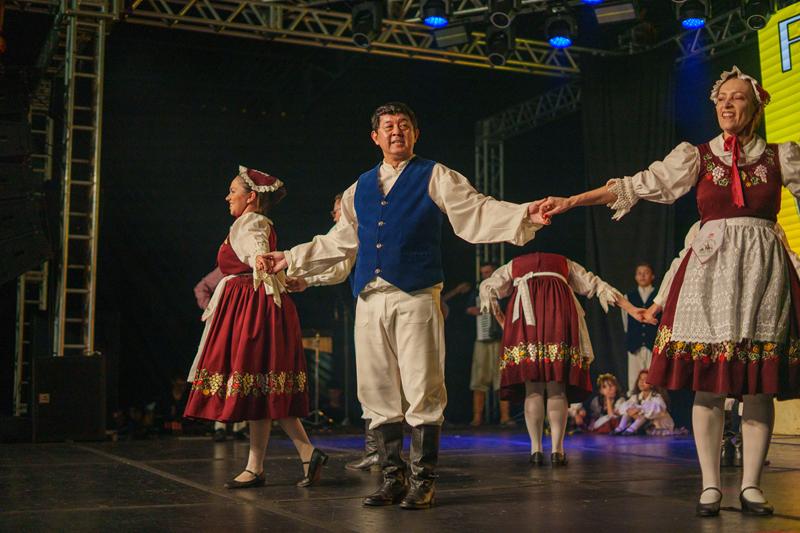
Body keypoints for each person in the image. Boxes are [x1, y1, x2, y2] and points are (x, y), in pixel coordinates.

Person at [534, 66, 800, 517]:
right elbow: (638, 184)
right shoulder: (698, 157)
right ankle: (711, 484)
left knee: (758, 387)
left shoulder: (781, 156)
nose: (727, 104)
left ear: (756, 107)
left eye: (737, 97)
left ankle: (752, 485)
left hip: (763, 274)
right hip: (710, 278)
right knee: (709, 386)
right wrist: (572, 201)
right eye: (721, 99)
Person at [261, 102, 548, 509]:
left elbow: (476, 209)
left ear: (415, 134)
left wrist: (524, 213)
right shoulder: (358, 188)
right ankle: (392, 478)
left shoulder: (434, 175)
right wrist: (289, 257)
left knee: (422, 384)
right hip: (370, 298)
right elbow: (338, 242)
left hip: (415, 294)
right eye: (388, 126)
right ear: (375, 137)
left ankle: (422, 480)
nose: (397, 131)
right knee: (376, 388)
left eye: (404, 125)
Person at [183, 166, 328, 490]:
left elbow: (257, 249)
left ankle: (297, 455)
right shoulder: (253, 222)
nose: (228, 197)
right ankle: (264, 464)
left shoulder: (251, 221)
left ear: (250, 197)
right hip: (254, 304)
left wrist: (259, 259)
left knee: (258, 381)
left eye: (233, 191)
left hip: (251, 308)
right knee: (260, 387)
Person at [481, 252, 640, 465]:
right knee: (557, 387)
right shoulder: (564, 263)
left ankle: (536, 450)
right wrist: (631, 309)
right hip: (557, 316)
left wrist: (503, 320)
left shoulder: (515, 264)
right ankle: (557, 450)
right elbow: (595, 284)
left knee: (533, 388)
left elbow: (488, 288)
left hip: (526, 322)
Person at [194, 267, 248, 442]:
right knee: (223, 370)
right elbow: (201, 287)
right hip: (226, 327)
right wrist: (211, 308)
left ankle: (240, 424)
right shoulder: (228, 269)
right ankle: (220, 424)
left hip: (246, 326)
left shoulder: (256, 266)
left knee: (243, 372)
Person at [466, 262, 512, 427]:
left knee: (502, 379)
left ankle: (505, 417)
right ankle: (477, 418)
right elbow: (468, 308)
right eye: (483, 273)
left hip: (500, 340)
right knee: (479, 379)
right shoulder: (477, 291)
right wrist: (476, 310)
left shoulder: (505, 290)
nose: (485, 276)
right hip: (482, 339)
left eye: (488, 272)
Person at [621, 263, 659, 394]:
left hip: (652, 343)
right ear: (635, 277)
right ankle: (634, 400)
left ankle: (653, 400)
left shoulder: (659, 296)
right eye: (639, 273)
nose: (642, 276)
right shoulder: (628, 297)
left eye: (646, 272)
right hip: (635, 343)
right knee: (634, 377)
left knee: (653, 375)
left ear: (652, 276)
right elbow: (625, 322)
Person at [612, 369, 675, 436]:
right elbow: (627, 405)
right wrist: (628, 410)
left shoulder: (656, 397)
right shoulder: (636, 397)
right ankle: (621, 427)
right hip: (646, 425)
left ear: (652, 384)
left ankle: (632, 429)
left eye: (645, 379)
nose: (642, 382)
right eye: (640, 379)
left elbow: (655, 409)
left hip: (660, 426)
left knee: (643, 413)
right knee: (629, 409)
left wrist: (639, 409)